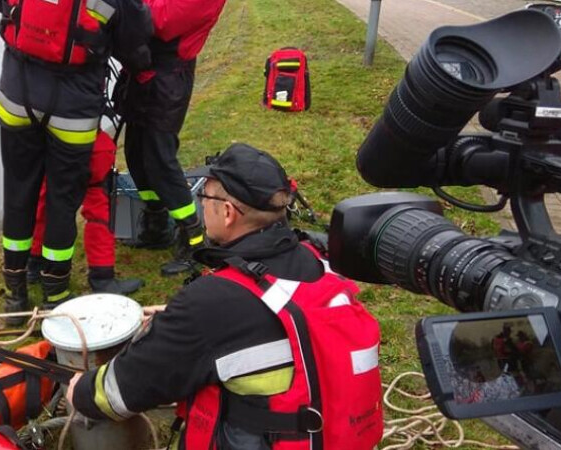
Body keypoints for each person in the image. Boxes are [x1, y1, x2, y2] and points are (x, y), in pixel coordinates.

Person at [66, 144, 380, 448]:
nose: (201, 204)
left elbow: (123, 391)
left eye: (204, 195)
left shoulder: (209, 304)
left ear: (228, 212)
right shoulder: (318, 258)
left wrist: (79, 391)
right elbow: (251, 324)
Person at [0, 0, 153, 323]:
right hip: (73, 110)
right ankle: (56, 292)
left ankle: (15, 296)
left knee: (18, 195)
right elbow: (136, 35)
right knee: (63, 201)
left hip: (16, 96)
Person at [118, 0, 229, 276]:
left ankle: (192, 238)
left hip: (167, 80)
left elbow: (160, 22)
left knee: (159, 159)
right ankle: (155, 225)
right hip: (143, 74)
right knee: (136, 153)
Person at [26, 129, 143, 295]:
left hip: (51, 143)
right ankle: (102, 277)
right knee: (99, 208)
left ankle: (34, 264)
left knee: (46, 202)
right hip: (89, 143)